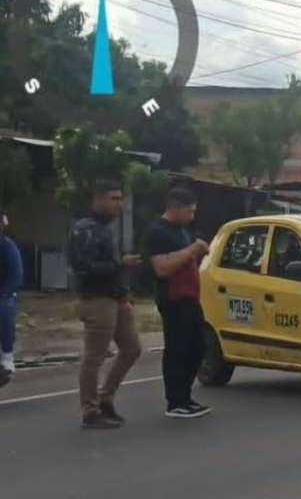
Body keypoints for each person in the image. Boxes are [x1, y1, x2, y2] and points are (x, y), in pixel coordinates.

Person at [68, 181, 143, 428]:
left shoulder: (106, 229)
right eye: (113, 199)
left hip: (115, 299)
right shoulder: (85, 229)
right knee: (94, 357)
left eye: (121, 198)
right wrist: (122, 264)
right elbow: (85, 269)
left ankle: (105, 397)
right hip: (96, 300)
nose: (119, 204)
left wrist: (124, 292)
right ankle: (90, 411)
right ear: (98, 199)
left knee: (132, 349)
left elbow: (110, 268)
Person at [147, 187, 211, 419]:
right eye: (188, 212)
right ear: (174, 208)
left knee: (199, 346)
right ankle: (174, 401)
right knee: (177, 348)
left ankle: (185, 395)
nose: (191, 217)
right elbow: (162, 268)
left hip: (191, 296)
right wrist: (192, 250)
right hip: (174, 297)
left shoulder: (182, 231)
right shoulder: (158, 232)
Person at [0, 212, 23, 387]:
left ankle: (7, 357)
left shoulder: (8, 247)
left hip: (3, 294)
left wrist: (6, 292)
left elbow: (16, 274)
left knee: (5, 308)